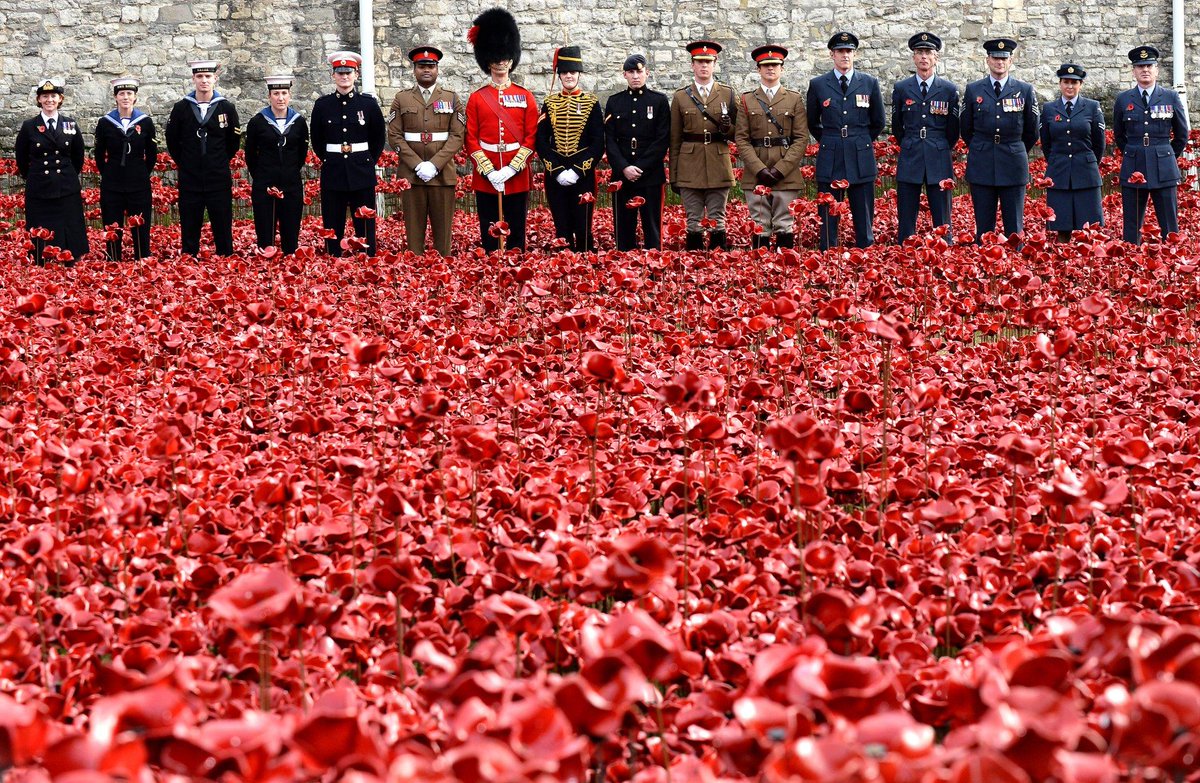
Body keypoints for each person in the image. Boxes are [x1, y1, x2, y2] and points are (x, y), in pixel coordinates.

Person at [465, 7, 538, 252]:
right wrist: (488, 170)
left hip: (515, 173)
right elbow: (471, 139)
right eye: (496, 59)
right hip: (487, 175)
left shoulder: (524, 96)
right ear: (488, 61)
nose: (501, 64)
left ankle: (516, 262)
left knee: (517, 227)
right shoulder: (477, 98)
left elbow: (530, 138)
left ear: (511, 59)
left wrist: (510, 168)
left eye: (505, 59)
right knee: (488, 227)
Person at [805, 32, 885, 250]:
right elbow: (813, 122)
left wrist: (860, 141)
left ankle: (865, 254)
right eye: (840, 51)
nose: (845, 55)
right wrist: (831, 139)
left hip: (860, 154)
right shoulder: (819, 84)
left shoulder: (869, 83)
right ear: (832, 54)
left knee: (864, 213)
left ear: (855, 54)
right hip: (831, 154)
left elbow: (878, 121)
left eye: (849, 51)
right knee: (828, 215)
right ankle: (828, 256)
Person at [386, 46, 465, 256]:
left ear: (437, 69)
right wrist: (418, 164)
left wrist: (434, 164)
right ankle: (415, 278)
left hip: (443, 174)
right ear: (414, 70)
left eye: (431, 66)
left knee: (443, 236)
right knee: (413, 235)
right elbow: (394, 135)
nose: (426, 70)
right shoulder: (401, 98)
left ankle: (443, 275)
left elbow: (457, 136)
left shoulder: (452, 98)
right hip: (412, 175)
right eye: (422, 66)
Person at [959, 38, 1039, 243]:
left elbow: (1031, 131)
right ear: (987, 60)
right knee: (984, 228)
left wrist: (1014, 148)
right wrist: (982, 146)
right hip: (982, 162)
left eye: (1004, 58)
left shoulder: (1024, 90)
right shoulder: (974, 89)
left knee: (1014, 228)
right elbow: (966, 128)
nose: (999, 62)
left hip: (1012, 162)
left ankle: (1015, 268)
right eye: (995, 58)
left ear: (1011, 61)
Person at [311, 51, 387, 256]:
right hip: (333, 170)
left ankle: (366, 257)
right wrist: (329, 159)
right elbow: (317, 140)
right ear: (333, 75)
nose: (344, 77)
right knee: (332, 222)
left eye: (349, 72)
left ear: (356, 74)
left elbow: (378, 137)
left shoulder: (368, 104)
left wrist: (368, 162)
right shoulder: (322, 105)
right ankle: (333, 257)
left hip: (361, 170)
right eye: (340, 72)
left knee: (364, 223)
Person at [735, 44, 809, 250]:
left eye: (775, 65)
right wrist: (759, 169)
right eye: (765, 66)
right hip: (755, 171)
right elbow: (741, 138)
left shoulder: (794, 99)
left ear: (782, 68)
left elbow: (801, 138)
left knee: (785, 223)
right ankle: (761, 272)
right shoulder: (747, 100)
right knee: (759, 224)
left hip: (786, 171)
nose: (770, 69)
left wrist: (780, 169)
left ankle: (784, 269)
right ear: (758, 69)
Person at [1113, 45, 1189, 244]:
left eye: (1149, 65)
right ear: (1133, 71)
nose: (1144, 70)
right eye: (1140, 66)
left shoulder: (1171, 97)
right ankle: (1130, 260)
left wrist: (1167, 155)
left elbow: (1182, 134)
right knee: (1132, 222)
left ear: (1157, 70)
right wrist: (1132, 152)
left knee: (1169, 222)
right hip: (1134, 163)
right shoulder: (1123, 99)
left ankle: (1172, 261)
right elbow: (1119, 135)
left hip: (1163, 164)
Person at [165, 59, 241, 257]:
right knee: (190, 221)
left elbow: (233, 142)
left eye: (208, 76)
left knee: (222, 220)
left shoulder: (226, 108)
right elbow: (172, 140)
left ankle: (225, 256)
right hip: (190, 177)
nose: (204, 81)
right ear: (193, 79)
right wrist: (186, 163)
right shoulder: (181, 108)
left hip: (218, 176)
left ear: (215, 78)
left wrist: (219, 161)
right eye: (199, 77)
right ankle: (189, 257)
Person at [891, 32, 960, 243]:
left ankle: (944, 249)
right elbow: (897, 126)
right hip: (911, 152)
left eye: (928, 52)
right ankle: (906, 249)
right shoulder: (902, 88)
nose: (923, 57)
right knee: (906, 212)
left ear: (935, 58)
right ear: (913, 57)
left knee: (941, 214)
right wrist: (911, 142)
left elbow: (953, 130)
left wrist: (939, 144)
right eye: (919, 52)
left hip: (938, 153)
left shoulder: (948, 90)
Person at [670, 40, 737, 251]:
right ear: (692, 65)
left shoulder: (727, 93)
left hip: (718, 160)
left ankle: (719, 263)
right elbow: (675, 139)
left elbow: (739, 134)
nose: (704, 66)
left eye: (708, 61)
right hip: (690, 163)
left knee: (718, 218)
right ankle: (694, 265)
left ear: (715, 64)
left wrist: (727, 128)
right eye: (699, 62)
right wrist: (674, 175)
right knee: (693, 220)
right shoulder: (681, 97)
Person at [536, 46, 604, 251]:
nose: (568, 76)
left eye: (572, 72)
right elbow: (541, 140)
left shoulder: (591, 102)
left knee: (583, 226)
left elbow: (598, 142)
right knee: (561, 225)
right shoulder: (549, 102)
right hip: (555, 175)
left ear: (579, 74)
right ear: (559, 75)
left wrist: (577, 171)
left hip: (582, 175)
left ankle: (584, 269)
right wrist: (556, 171)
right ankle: (562, 268)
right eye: (564, 73)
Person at [15, 78, 89, 265]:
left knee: (70, 223)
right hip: (40, 186)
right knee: (41, 223)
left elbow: (78, 156)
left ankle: (70, 256)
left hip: (66, 185)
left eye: (53, 96)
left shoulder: (69, 124)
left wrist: (68, 175)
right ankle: (41, 256)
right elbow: (22, 158)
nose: (49, 100)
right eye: (45, 96)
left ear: (60, 99)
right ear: (39, 100)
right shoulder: (29, 126)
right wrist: (34, 176)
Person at [604, 53, 671, 251]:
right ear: (624, 75)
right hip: (622, 176)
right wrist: (624, 167)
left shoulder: (658, 101)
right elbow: (610, 140)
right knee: (623, 230)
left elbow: (662, 140)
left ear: (647, 73)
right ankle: (625, 272)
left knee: (652, 230)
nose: (635, 76)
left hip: (650, 175)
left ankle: (653, 272)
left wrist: (640, 167)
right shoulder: (615, 102)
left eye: (639, 72)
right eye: (631, 72)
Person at [243, 74, 310, 255]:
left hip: (291, 183)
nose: (280, 98)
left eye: (284, 93)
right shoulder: (257, 122)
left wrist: (289, 171)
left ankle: (289, 266)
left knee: (291, 232)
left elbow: (301, 153)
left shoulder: (299, 122)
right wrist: (262, 176)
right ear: (269, 96)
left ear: (289, 95)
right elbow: (250, 155)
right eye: (276, 93)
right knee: (266, 232)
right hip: (265, 184)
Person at [1039, 63, 1105, 241]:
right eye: (1066, 82)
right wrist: (1056, 161)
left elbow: (1099, 143)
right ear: (1060, 84)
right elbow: (1046, 143)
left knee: (1090, 229)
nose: (1070, 86)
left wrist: (1088, 162)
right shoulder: (1049, 109)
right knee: (1061, 226)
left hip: (1086, 173)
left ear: (1080, 85)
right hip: (1059, 174)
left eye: (1074, 83)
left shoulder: (1092, 107)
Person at [94, 76, 157, 261]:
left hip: (138, 180)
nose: (125, 97)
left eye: (129, 93)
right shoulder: (105, 122)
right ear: (115, 97)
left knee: (140, 223)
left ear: (135, 97)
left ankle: (142, 256)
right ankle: (113, 257)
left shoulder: (145, 122)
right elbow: (99, 154)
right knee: (112, 222)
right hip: (112, 181)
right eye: (121, 93)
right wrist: (108, 173)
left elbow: (151, 154)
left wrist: (142, 172)